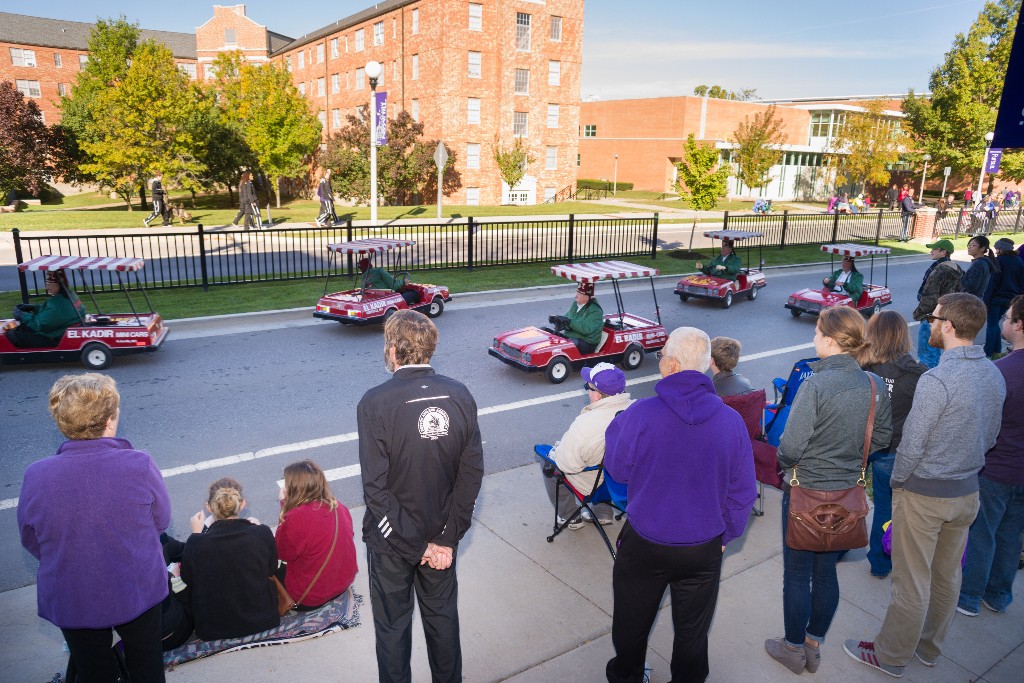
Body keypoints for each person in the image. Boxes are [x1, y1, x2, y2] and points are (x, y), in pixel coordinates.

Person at [845, 293, 1005, 677]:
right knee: (947, 577)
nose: (929, 324)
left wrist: (899, 481)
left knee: (911, 582)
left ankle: (890, 655)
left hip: (925, 494)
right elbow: (991, 436)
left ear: (948, 325)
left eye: (933, 319)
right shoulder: (992, 373)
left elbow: (913, 444)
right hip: (967, 492)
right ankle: (929, 649)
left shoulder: (937, 379)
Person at [604, 327, 757, 683]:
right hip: (703, 546)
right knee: (692, 632)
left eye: (660, 359)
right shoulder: (731, 422)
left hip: (645, 542)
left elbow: (617, 469)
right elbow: (743, 491)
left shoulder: (641, 414)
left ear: (670, 365)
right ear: (705, 367)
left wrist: (617, 425)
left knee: (631, 621)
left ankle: (626, 675)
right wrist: (725, 535)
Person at [764, 307, 892, 676]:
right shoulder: (873, 385)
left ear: (831, 340)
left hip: (806, 493)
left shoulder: (816, 384)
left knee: (796, 574)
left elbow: (790, 447)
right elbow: (881, 437)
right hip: (846, 496)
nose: (813, 337)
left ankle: (792, 648)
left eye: (817, 331)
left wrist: (792, 466)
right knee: (825, 574)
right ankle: (813, 644)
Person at [357, 309, 483, 683]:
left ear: (393, 350)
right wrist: (444, 540)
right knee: (443, 622)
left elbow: (375, 490)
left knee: (393, 632)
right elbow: (471, 475)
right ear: (430, 348)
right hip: (441, 538)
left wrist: (418, 546)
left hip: (392, 544)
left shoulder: (374, 402)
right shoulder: (460, 394)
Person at [18, 374, 171, 682]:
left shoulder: (36, 475)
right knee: (147, 666)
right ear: (111, 420)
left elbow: (32, 539)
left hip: (73, 593)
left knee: (92, 671)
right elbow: (160, 520)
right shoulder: (138, 464)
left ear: (63, 423)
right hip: (136, 587)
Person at [958, 295, 1024, 617]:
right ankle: (998, 595)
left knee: (982, 533)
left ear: (1019, 325)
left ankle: (969, 596)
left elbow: (980, 425)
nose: (1004, 322)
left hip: (997, 469)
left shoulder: (1001, 371)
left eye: (1008, 317)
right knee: (1011, 534)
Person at [861, 311, 928, 579]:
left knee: (848, 497)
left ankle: (838, 544)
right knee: (888, 509)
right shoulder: (919, 375)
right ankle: (880, 561)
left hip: (865, 446)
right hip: (896, 451)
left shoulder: (865, 368)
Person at [179, 480, 280, 640]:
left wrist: (196, 534)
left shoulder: (196, 542)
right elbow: (271, 569)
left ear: (209, 507)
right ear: (242, 504)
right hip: (264, 619)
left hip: (213, 629)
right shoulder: (261, 533)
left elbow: (188, 579)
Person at [540, 362, 633, 528]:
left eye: (587, 387)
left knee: (547, 461)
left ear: (597, 395)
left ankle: (570, 516)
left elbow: (567, 464)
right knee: (606, 459)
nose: (587, 391)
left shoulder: (585, 425)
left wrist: (556, 452)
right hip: (626, 480)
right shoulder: (637, 410)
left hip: (596, 481)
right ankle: (603, 512)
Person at [275, 459, 358, 610]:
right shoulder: (339, 506)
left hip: (309, 597)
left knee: (266, 571)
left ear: (294, 488)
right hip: (343, 584)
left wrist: (284, 507)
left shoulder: (295, 517)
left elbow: (281, 552)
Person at [912, 239, 963, 368]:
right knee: (935, 352)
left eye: (934, 249)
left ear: (943, 252)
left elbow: (929, 296)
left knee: (926, 353)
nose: (931, 251)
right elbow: (959, 293)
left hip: (930, 316)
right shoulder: (956, 268)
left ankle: (928, 382)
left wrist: (919, 313)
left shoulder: (939, 270)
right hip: (945, 315)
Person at [6, 269, 85, 348]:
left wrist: (22, 316)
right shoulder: (69, 296)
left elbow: (40, 323)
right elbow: (49, 311)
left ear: (59, 284)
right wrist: (33, 308)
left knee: (12, 335)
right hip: (60, 330)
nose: (47, 287)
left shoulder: (59, 305)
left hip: (54, 337)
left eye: (49, 284)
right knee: (24, 327)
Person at [985, 238, 1024, 356]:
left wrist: (986, 300)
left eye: (997, 248)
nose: (996, 251)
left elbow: (993, 282)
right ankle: (997, 349)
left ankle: (988, 351)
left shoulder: (998, 261)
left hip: (996, 298)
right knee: (996, 323)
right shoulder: (1018, 261)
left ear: (1001, 249)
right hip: (1010, 298)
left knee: (991, 325)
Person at [548, 281, 605, 354]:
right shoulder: (576, 304)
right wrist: (558, 321)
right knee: (546, 331)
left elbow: (586, 329)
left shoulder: (595, 311)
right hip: (570, 338)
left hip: (587, 343)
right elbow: (568, 318)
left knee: (570, 344)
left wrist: (569, 321)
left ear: (586, 297)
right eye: (577, 292)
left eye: (579, 294)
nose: (576, 296)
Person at [961, 235, 999, 300]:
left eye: (973, 245)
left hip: (970, 302)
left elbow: (971, 287)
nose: (969, 247)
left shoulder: (979, 264)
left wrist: (960, 276)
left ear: (982, 248)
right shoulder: (983, 262)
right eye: (969, 245)